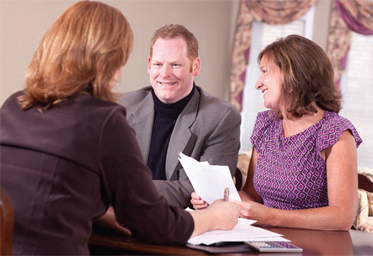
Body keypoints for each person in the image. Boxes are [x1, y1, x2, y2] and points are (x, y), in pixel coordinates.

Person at [0, 1, 239, 255]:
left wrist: (104, 209)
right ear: (108, 58)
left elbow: (52, 191)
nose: (123, 68)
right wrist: (214, 217)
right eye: (123, 56)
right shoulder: (104, 119)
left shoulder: (15, 103)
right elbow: (156, 224)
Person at [191, 34, 362, 231]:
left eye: (265, 72)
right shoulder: (266, 125)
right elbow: (252, 195)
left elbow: (342, 217)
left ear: (294, 75)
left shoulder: (335, 132)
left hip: (315, 246)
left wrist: (272, 216)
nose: (258, 83)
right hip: (265, 238)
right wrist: (220, 203)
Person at [119, 24, 241, 209]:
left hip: (183, 224)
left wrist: (126, 189)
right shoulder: (123, 107)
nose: (165, 74)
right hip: (122, 217)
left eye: (175, 65)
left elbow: (206, 192)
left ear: (196, 66)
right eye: (158, 64)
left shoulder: (220, 117)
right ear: (149, 65)